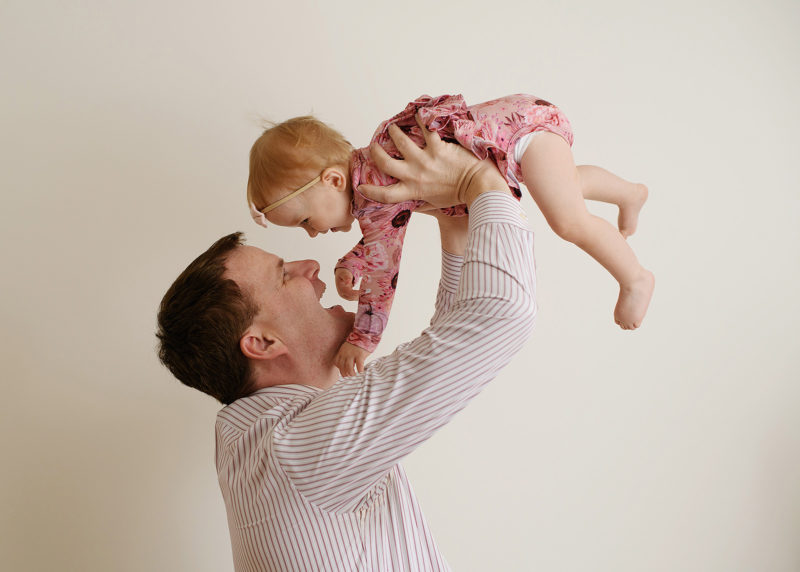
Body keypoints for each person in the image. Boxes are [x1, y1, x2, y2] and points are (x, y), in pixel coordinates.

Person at [156, 121, 537, 570]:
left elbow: (459, 333)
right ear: (261, 342)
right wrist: (481, 184)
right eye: (284, 275)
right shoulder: (297, 448)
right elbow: (498, 314)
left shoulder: (257, 441)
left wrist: (457, 224)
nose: (311, 265)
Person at [247, 94, 655, 376]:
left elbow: (384, 269)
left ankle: (635, 278)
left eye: (304, 222)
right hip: (518, 127)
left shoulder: (373, 187)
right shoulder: (371, 175)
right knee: (562, 186)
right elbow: (381, 237)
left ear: (334, 180)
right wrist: (352, 262)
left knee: (568, 220)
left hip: (519, 134)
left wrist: (363, 337)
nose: (313, 234)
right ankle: (630, 192)